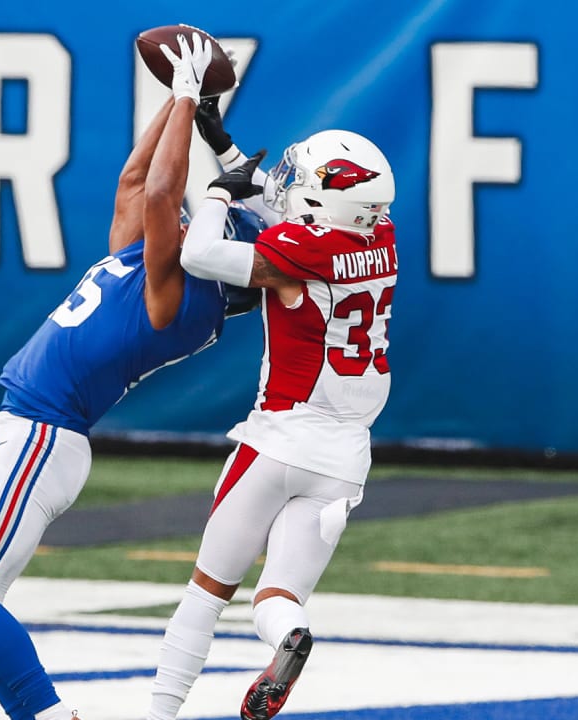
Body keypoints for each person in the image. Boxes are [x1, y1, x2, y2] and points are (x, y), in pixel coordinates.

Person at [0, 34, 259, 720]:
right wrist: (185, 99)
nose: (195, 220)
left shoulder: (181, 300)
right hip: (34, 431)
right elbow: (138, 185)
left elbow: (167, 190)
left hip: (43, 435)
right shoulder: (155, 267)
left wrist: (184, 96)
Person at [146, 97, 398, 720]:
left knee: (206, 595)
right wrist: (226, 147)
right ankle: (289, 636)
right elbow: (288, 202)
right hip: (345, 456)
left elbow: (198, 254)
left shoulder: (300, 250)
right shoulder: (381, 237)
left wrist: (214, 195)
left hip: (279, 437)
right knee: (278, 596)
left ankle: (155, 715)